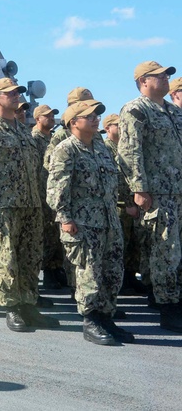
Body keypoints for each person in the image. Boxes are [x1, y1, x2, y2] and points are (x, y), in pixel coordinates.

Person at [0, 78, 58, 333]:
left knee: (30, 257)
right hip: (2, 207)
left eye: (17, 92)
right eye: (10, 93)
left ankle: (29, 304)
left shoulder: (22, 131)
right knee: (7, 258)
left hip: (30, 204)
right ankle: (12, 307)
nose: (16, 96)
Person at [47, 99, 133, 345]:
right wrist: (65, 218)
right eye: (89, 116)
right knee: (90, 274)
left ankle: (106, 317)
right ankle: (91, 320)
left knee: (113, 272)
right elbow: (56, 189)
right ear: (74, 122)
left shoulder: (101, 147)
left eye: (97, 115)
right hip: (83, 224)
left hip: (108, 222)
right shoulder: (66, 149)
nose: (96, 119)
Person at [117, 61, 182, 333]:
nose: (166, 79)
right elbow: (129, 151)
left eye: (168, 75)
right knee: (166, 251)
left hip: (178, 191)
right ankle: (168, 307)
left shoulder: (172, 112)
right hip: (158, 193)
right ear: (143, 81)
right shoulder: (135, 109)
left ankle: (173, 299)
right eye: (160, 75)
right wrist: (139, 188)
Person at [104, 113, 146, 296]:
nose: (121, 128)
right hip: (120, 205)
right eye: (116, 125)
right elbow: (116, 179)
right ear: (108, 128)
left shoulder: (124, 147)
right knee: (119, 245)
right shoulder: (105, 148)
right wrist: (127, 203)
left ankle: (129, 277)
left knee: (132, 245)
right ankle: (118, 282)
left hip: (132, 203)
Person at [31, 105, 64, 290]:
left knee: (55, 234)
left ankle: (55, 268)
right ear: (37, 118)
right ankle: (47, 272)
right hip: (41, 192)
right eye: (47, 115)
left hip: (52, 192)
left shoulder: (51, 138)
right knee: (46, 235)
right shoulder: (34, 139)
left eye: (53, 115)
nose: (52, 118)